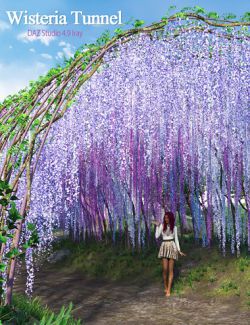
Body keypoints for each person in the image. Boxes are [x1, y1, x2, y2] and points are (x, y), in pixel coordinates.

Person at [152, 211, 186, 297]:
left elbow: (176, 240)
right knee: (165, 269)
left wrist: (179, 250)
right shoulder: (162, 226)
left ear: (170, 218)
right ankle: (165, 286)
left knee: (170, 270)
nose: (166, 219)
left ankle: (169, 290)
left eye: (167, 218)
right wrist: (157, 226)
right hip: (164, 246)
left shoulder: (174, 227)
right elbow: (156, 236)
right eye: (165, 218)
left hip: (172, 246)